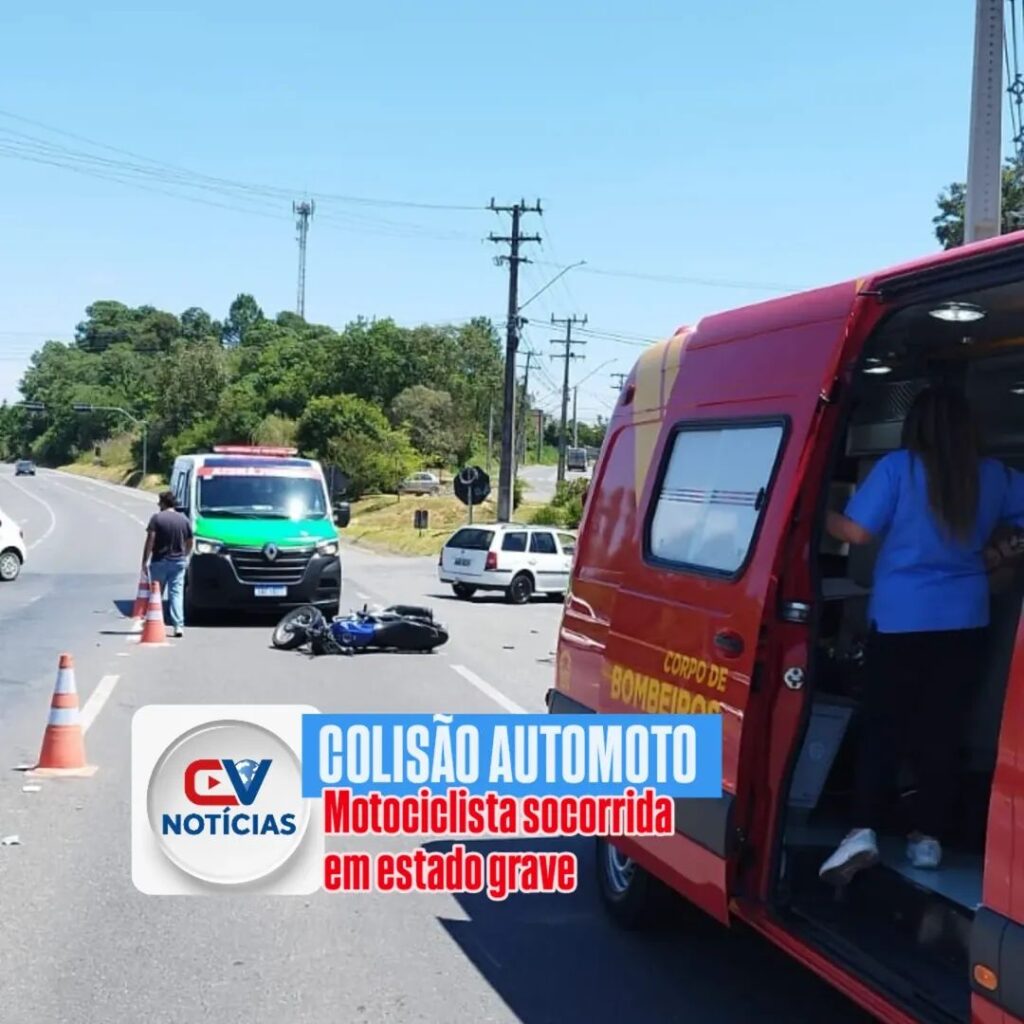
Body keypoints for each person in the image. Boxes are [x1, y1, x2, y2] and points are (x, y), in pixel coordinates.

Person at [818, 384, 1024, 886]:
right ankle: (928, 839)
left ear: (916, 427)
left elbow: (857, 533)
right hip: (966, 620)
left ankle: (863, 830)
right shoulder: (993, 475)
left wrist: (813, 510)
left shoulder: (898, 468)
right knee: (943, 729)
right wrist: (1001, 552)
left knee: (884, 726)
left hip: (901, 619)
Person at [142, 490, 193, 638]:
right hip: (178, 562)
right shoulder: (183, 520)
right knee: (176, 593)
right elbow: (190, 541)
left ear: (164, 503)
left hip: (159, 561)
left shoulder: (157, 519)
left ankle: (155, 623)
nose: (159, 505)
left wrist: (144, 560)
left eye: (160, 502)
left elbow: (150, 540)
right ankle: (178, 626)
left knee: (156, 594)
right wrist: (185, 554)